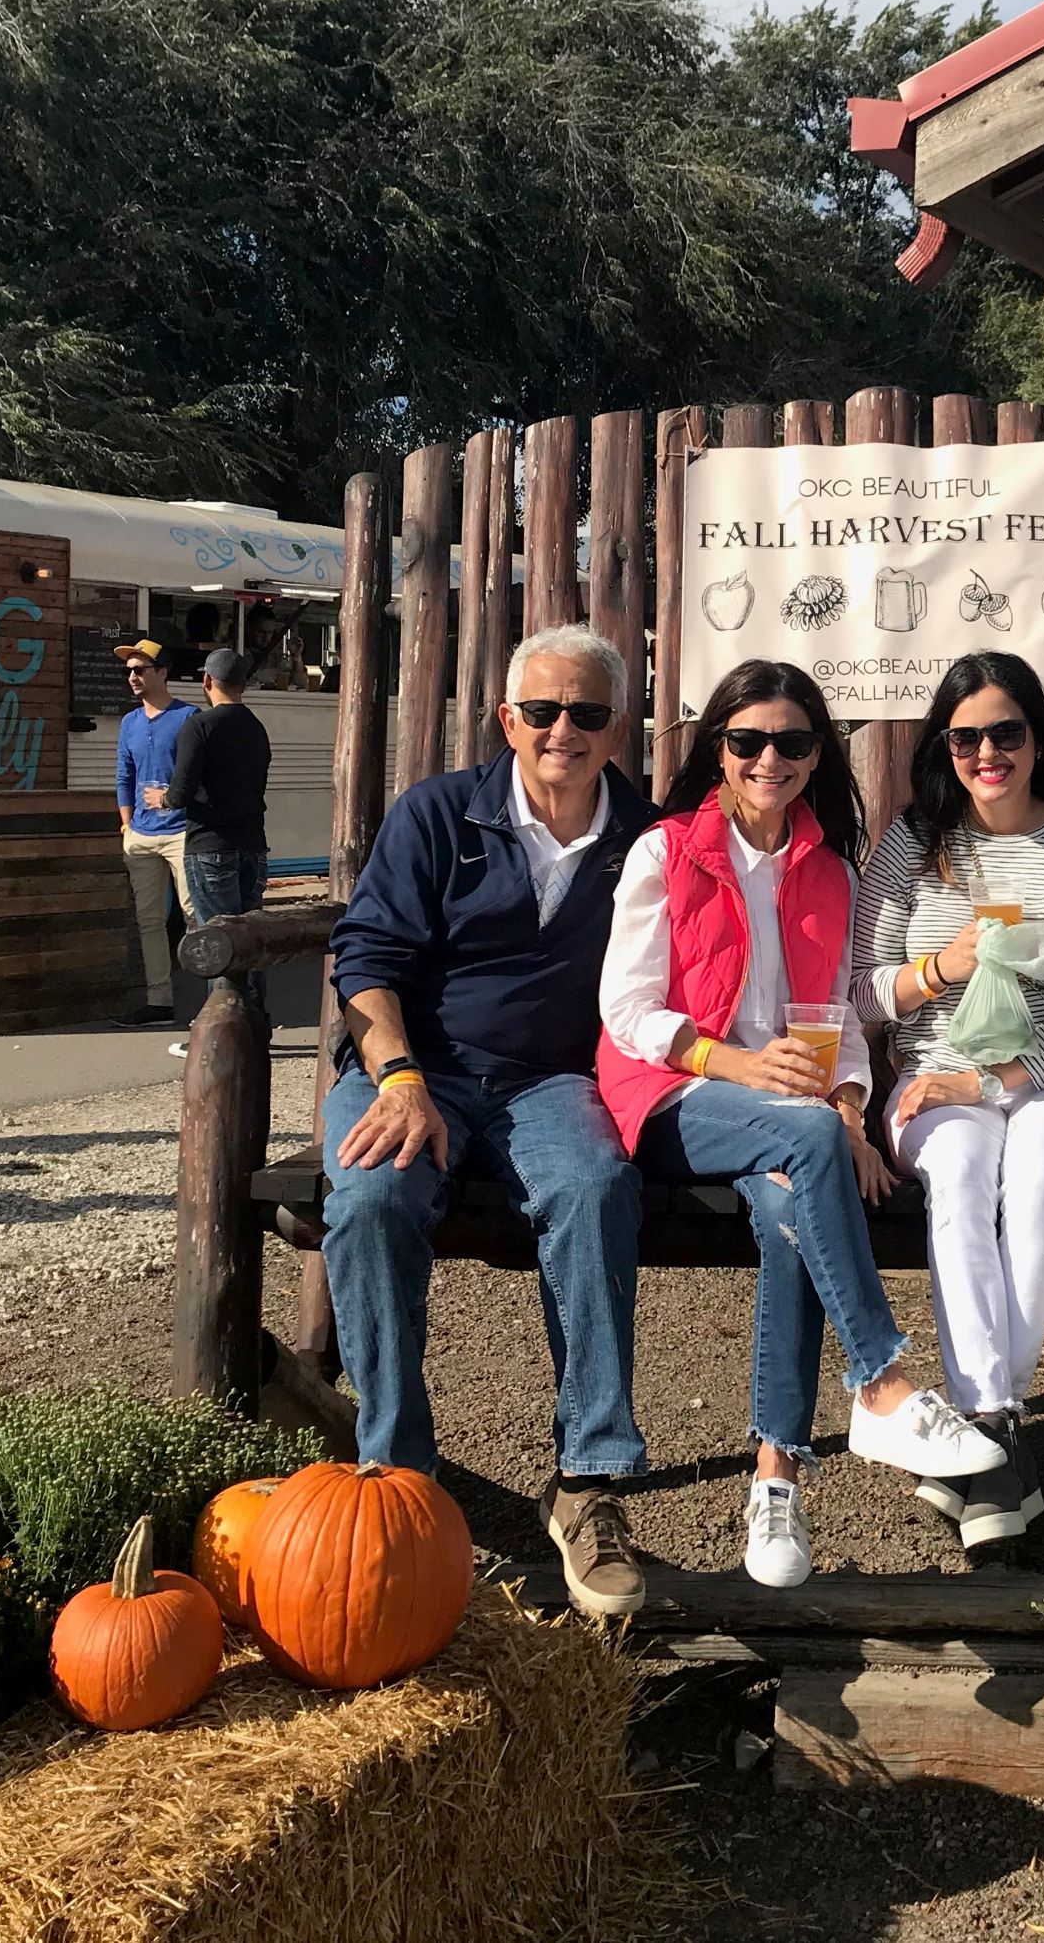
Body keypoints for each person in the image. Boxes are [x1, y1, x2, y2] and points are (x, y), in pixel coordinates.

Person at [598, 660, 1004, 1588]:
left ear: (818, 755)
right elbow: (625, 1011)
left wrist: (851, 1110)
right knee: (808, 1141)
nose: (769, 759)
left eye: (791, 741)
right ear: (719, 750)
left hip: (793, 1118)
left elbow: (843, 1021)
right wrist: (737, 1064)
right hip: (672, 1096)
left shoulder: (830, 870)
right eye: (748, 741)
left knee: (795, 1209)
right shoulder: (666, 851)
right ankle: (882, 1382)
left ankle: (775, 1482)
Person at [322, 623, 657, 1619]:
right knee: (372, 1199)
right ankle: (398, 1477)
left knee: (596, 1186)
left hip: (554, 1078)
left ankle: (588, 1480)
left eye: (587, 713)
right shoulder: (439, 813)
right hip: (415, 1064)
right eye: (543, 710)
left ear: (617, 728)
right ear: (507, 720)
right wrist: (398, 1076)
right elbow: (364, 957)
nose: (564, 730)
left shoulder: (649, 838)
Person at [850, 652, 1044, 1551]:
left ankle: (984, 1434)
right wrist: (942, 968)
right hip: (933, 1077)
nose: (987, 753)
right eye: (965, 737)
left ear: (1036, 738)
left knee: (1039, 1171)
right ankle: (999, 1429)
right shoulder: (912, 845)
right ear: (944, 746)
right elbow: (861, 990)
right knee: (964, 1168)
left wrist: (995, 1080)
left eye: (1006, 732)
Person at [146, 649, 272, 1009]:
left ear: (207, 681)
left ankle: (224, 1023)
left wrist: (161, 798)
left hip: (210, 843)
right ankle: (254, 1019)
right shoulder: (256, 727)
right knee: (250, 938)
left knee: (218, 942)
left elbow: (182, 790)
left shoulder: (199, 726)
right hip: (253, 843)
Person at [112, 640, 195, 1027]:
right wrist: (126, 822)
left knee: (196, 916)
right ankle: (159, 1001)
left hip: (182, 831)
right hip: (141, 834)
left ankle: (215, 998)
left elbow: (198, 774)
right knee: (149, 921)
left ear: (162, 673)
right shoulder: (129, 722)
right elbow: (124, 774)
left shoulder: (189, 717)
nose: (132, 677)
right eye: (128, 670)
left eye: (140, 670)